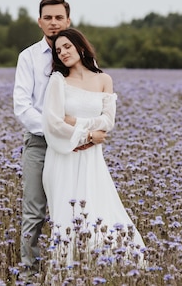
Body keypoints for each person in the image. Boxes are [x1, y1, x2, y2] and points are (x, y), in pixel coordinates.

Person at [41, 28, 146, 268]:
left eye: (67, 46)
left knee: (99, 211)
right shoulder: (58, 80)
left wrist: (74, 122)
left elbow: (108, 122)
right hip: (64, 158)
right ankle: (66, 274)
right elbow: (53, 123)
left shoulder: (103, 79)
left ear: (80, 46)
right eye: (58, 51)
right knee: (67, 218)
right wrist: (87, 133)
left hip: (92, 158)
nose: (63, 53)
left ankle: (103, 269)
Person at [14, 0, 83, 275]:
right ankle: (29, 271)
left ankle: (69, 268)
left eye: (59, 18)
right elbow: (22, 105)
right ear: (39, 21)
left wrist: (76, 132)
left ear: (68, 21)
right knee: (34, 210)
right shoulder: (28, 57)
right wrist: (54, 130)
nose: (53, 23)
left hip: (74, 144)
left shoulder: (79, 57)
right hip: (40, 144)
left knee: (73, 208)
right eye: (48, 18)